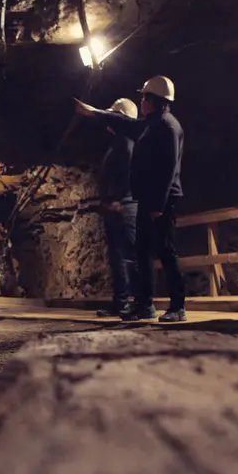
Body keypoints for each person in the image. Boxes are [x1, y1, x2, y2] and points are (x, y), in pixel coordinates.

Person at [75, 76, 187, 323]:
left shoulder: (167, 126)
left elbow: (167, 169)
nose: (141, 101)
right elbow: (124, 122)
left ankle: (178, 307)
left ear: (155, 100)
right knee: (143, 252)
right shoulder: (150, 125)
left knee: (167, 252)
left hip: (162, 202)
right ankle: (144, 305)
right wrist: (95, 113)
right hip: (146, 199)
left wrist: (158, 205)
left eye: (145, 97)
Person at [95, 98, 138, 318]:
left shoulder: (126, 143)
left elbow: (129, 174)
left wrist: (120, 200)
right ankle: (121, 302)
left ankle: (134, 302)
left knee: (128, 256)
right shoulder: (119, 143)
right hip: (117, 206)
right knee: (118, 257)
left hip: (124, 206)